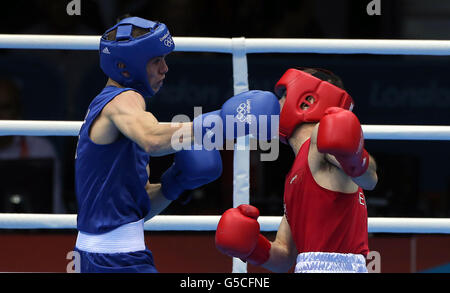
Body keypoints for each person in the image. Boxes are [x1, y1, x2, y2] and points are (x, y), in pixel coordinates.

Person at [73, 16, 279, 273]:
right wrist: (221, 124)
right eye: (156, 61)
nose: (165, 69)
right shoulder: (123, 99)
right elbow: (152, 139)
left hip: (100, 255)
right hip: (118, 260)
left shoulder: (106, 106)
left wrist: (176, 182)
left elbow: (137, 211)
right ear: (126, 68)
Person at [215, 68, 378, 273]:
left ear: (307, 100)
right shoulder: (295, 173)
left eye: (283, 96)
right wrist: (252, 247)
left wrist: (356, 157)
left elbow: (370, 179)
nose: (276, 104)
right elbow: (283, 256)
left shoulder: (321, 142)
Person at [0, 78, 64, 213]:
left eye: (5, 107)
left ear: (18, 111)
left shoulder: (41, 149)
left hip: (34, 231)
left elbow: (55, 211)